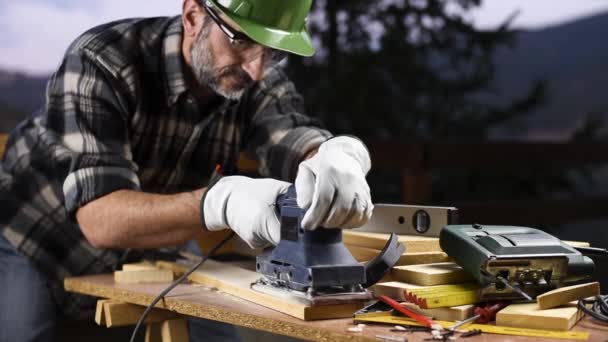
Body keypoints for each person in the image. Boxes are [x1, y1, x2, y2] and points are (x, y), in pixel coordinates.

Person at [0, 0, 373, 341]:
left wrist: (329, 155)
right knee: (24, 331)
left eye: (273, 51)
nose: (257, 69)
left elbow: (289, 133)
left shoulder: (255, 79)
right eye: (241, 40)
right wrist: (218, 203)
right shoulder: (103, 58)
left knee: (217, 339)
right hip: (35, 238)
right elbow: (100, 219)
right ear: (194, 16)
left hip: (160, 240)